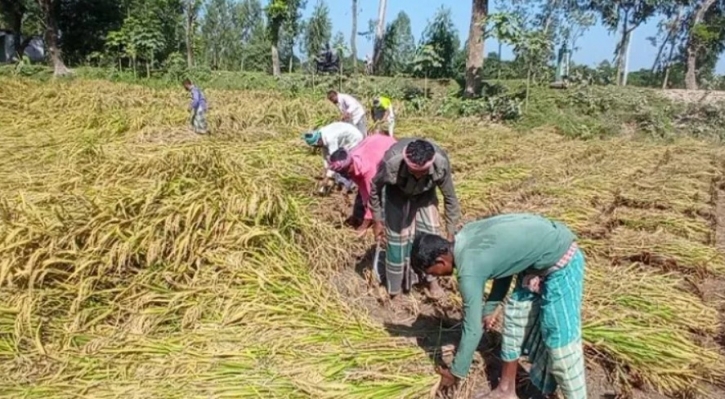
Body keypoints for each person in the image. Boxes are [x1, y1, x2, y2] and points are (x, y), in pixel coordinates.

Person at [410, 213, 587, 399]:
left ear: (441, 261)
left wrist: (455, 373)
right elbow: (504, 265)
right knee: (513, 322)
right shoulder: (466, 235)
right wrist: (489, 308)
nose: (436, 277)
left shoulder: (468, 269)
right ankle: (506, 390)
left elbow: (472, 330)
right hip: (533, 266)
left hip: (561, 259)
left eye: (434, 273)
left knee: (560, 343)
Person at [368, 138, 461, 301]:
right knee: (397, 241)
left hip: (425, 196)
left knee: (431, 238)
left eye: (422, 171)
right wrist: (377, 221)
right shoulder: (391, 163)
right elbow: (375, 189)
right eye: (413, 170)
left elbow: (450, 197)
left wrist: (450, 230)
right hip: (396, 195)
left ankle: (431, 281)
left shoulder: (441, 163)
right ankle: (394, 289)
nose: (417, 174)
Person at [328, 133, 397, 237]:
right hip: (374, 143)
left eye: (345, 171)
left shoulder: (370, 171)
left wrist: (364, 226)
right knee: (363, 195)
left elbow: (373, 199)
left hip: (390, 149)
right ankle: (360, 216)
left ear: (350, 165)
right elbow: (361, 186)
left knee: (385, 194)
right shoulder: (352, 160)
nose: (345, 174)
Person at [302, 121, 364, 196]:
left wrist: (327, 177)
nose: (316, 148)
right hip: (344, 138)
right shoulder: (320, 135)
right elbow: (325, 154)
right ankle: (344, 182)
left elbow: (335, 161)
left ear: (318, 142)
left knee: (345, 163)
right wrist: (325, 169)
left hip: (353, 139)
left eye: (316, 146)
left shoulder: (330, 139)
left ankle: (351, 185)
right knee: (336, 167)